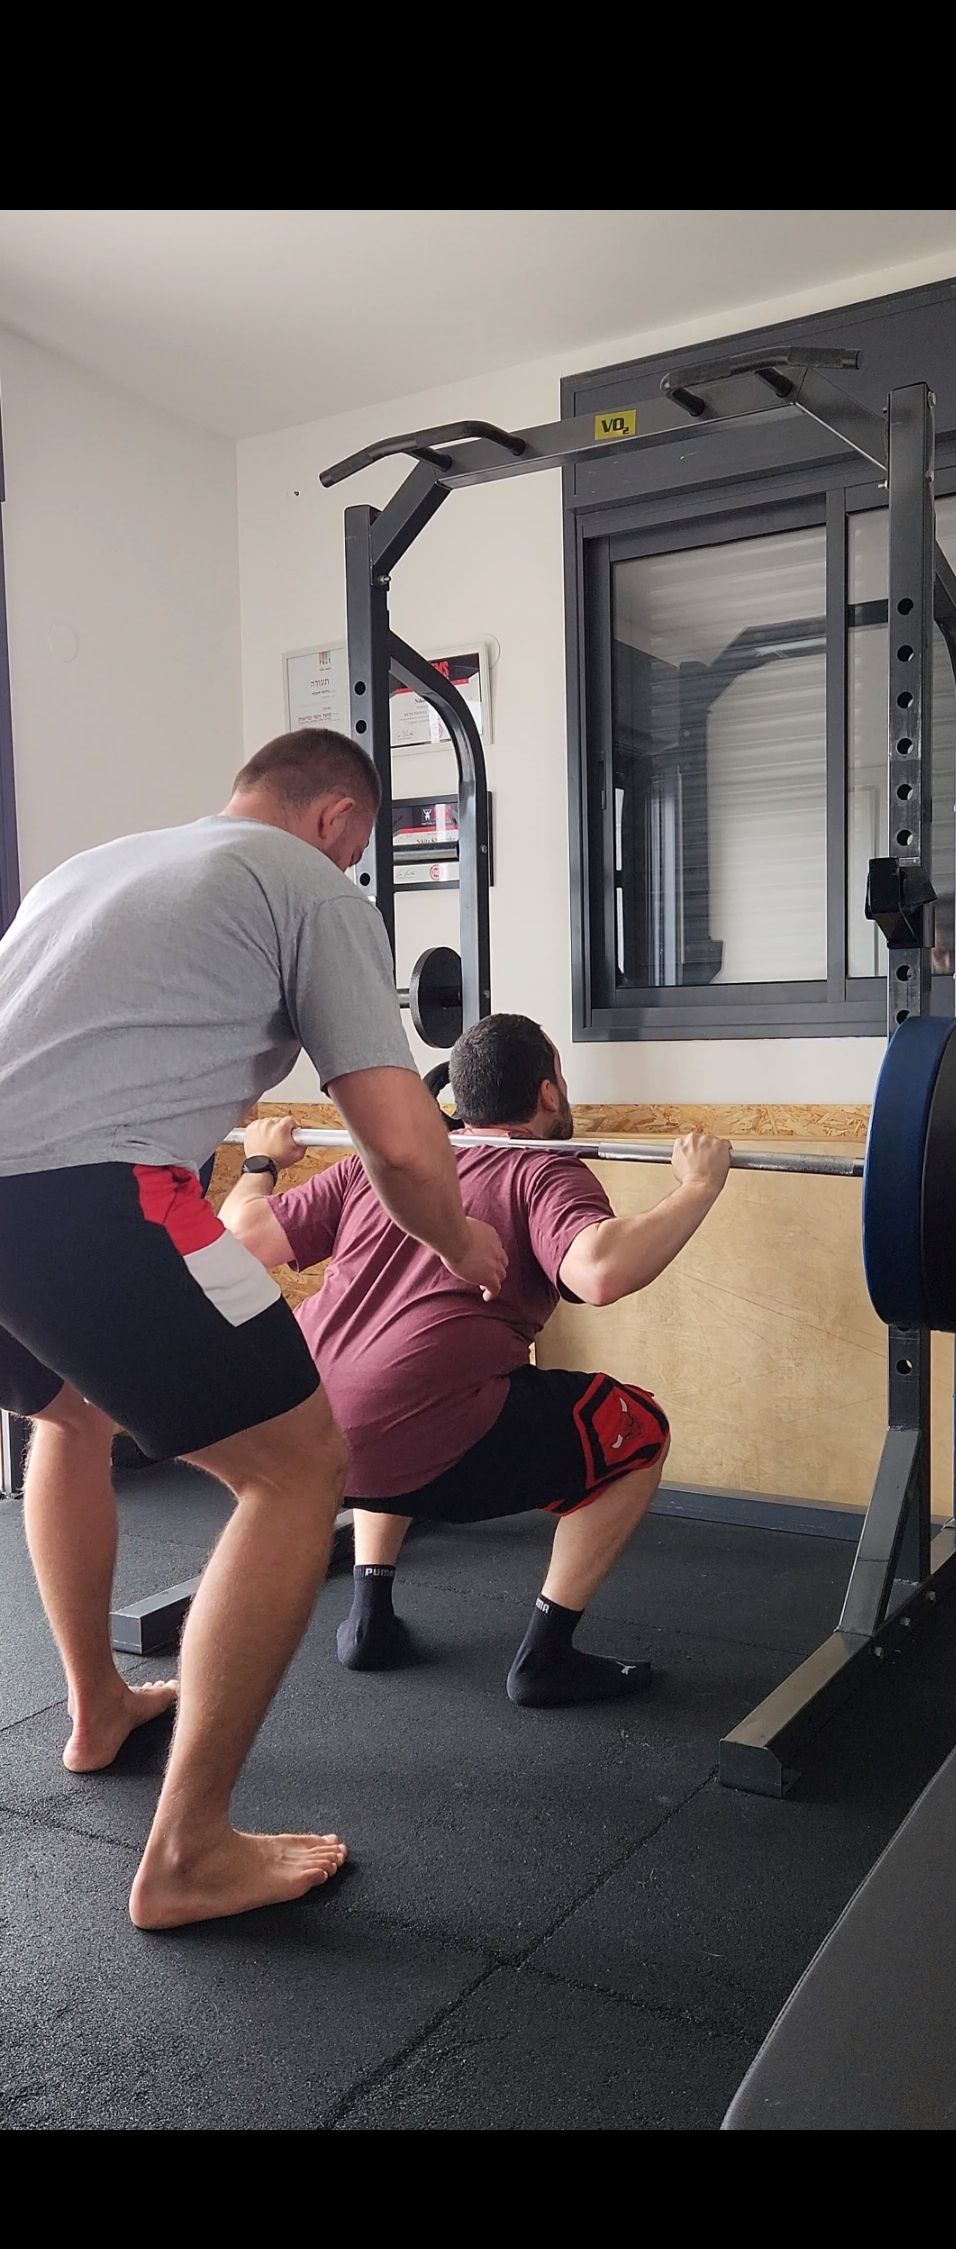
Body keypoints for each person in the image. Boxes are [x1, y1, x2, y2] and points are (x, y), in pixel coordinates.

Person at [0, 729, 507, 1930]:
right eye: (358, 847)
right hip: (94, 1192)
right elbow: (400, 1142)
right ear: (338, 819)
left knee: (72, 1415)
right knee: (297, 1470)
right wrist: (458, 1243)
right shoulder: (307, 887)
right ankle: (189, 1856)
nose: (352, 864)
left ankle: (97, 1709)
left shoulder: (95, 869)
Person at [220, 1013, 731, 1708]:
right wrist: (698, 1186)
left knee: (404, 1385)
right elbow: (600, 1273)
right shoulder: (543, 1170)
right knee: (637, 1430)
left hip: (305, 1432)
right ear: (548, 1091)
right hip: (408, 1436)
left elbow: (242, 1237)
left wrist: (260, 1163)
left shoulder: (384, 1165)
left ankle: (369, 1619)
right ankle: (547, 1658)